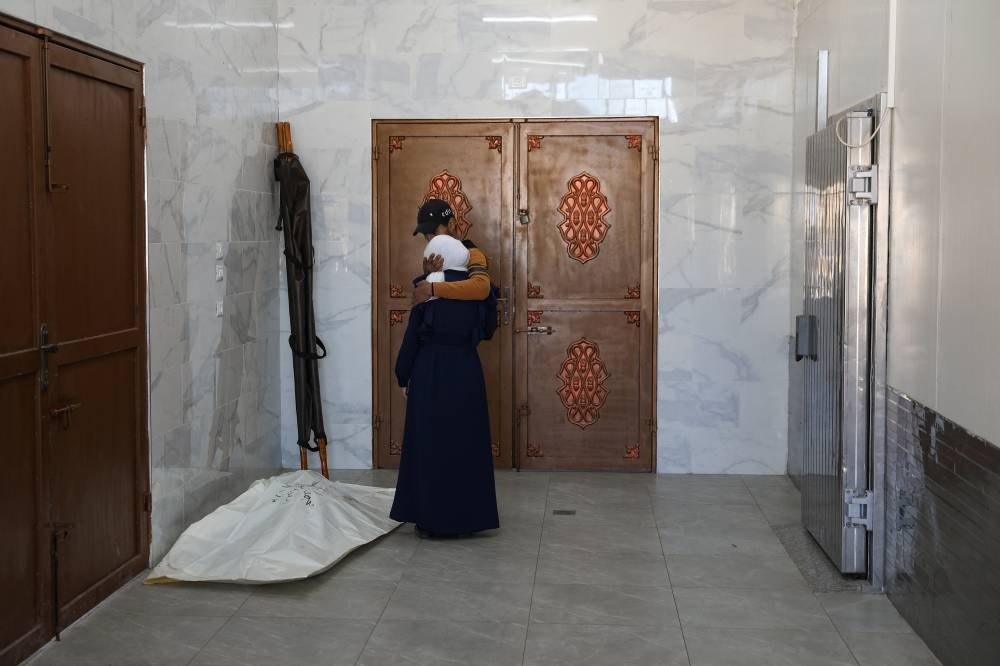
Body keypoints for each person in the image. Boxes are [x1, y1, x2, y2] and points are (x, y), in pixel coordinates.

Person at [389, 199, 500, 537]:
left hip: (431, 368)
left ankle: (430, 514)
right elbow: (488, 315)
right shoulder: (446, 270)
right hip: (465, 366)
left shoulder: (472, 256)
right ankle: (469, 516)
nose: (426, 241)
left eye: (429, 233)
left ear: (445, 227)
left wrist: (431, 288)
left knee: (430, 443)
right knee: (466, 442)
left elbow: (479, 287)